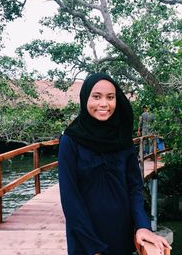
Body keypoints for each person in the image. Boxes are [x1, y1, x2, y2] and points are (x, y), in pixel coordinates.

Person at [58, 72, 171, 255]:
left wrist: (143, 226)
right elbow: (70, 199)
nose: (104, 104)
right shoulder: (70, 141)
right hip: (85, 238)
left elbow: (134, 188)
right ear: (85, 98)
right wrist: (93, 246)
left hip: (120, 233)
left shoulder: (122, 139)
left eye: (110, 97)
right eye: (96, 97)